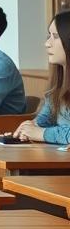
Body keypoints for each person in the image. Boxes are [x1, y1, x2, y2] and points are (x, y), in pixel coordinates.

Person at [13, 11, 70, 144]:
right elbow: (44, 120)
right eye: (48, 35)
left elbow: (43, 132)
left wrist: (42, 133)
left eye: (55, 36)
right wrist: (28, 128)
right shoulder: (59, 85)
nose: (47, 43)